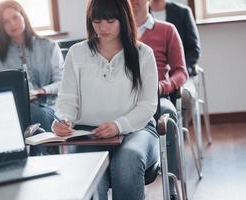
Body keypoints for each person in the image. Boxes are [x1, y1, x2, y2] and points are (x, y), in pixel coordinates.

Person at [52, 0, 159, 199]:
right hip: (88, 134)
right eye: (97, 21)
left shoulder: (143, 54)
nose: (102, 28)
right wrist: (64, 120)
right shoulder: (77, 53)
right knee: (89, 168)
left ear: (124, 19)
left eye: (110, 20)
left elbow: (147, 105)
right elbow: (67, 99)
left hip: (138, 130)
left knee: (128, 159)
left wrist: (119, 125)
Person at [0, 0, 64, 155]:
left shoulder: (49, 46)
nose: (12, 24)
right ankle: (48, 159)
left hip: (50, 106)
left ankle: (41, 158)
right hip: (15, 111)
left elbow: (62, 83)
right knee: (32, 113)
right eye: (5, 22)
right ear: (1, 27)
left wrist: (40, 91)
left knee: (37, 114)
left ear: (23, 16)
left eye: (15, 17)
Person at [130, 0, 188, 199]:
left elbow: (181, 72)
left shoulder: (167, 30)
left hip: (158, 96)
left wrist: (163, 86)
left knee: (168, 115)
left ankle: (170, 184)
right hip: (124, 100)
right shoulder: (115, 31)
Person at [150, 0, 201, 126]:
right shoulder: (139, 12)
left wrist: (178, 71)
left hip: (179, 73)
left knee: (184, 97)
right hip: (153, 75)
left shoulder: (182, 12)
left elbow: (194, 49)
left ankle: (177, 135)